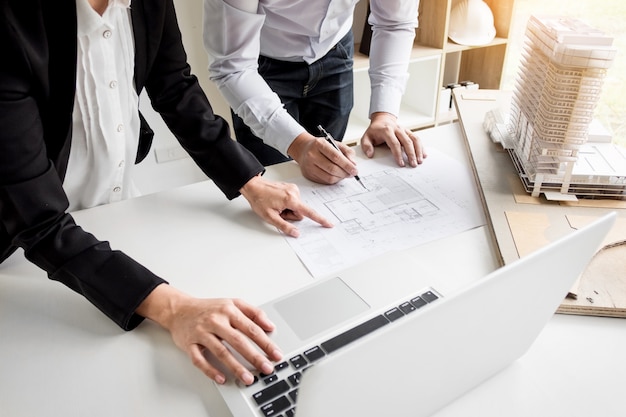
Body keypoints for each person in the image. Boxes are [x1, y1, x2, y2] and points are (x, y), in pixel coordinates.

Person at [0, 0, 333, 386]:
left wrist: (250, 182)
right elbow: (38, 221)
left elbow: (175, 87)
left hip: (112, 216)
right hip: (20, 248)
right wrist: (175, 309)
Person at [203, 0, 427, 185]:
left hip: (335, 49)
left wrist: (384, 114)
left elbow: (395, 23)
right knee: (275, 183)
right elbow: (232, 67)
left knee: (327, 174)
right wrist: (298, 144)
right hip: (259, 67)